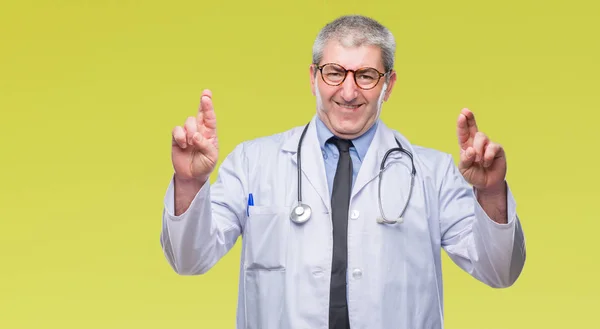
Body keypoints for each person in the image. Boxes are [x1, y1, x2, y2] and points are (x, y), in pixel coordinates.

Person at [160, 14, 526, 329]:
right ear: (313, 77)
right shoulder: (253, 163)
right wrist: (191, 182)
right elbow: (190, 260)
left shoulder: (432, 172)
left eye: (366, 75)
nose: (348, 92)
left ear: (389, 85)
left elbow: (499, 271)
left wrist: (491, 193)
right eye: (334, 73)